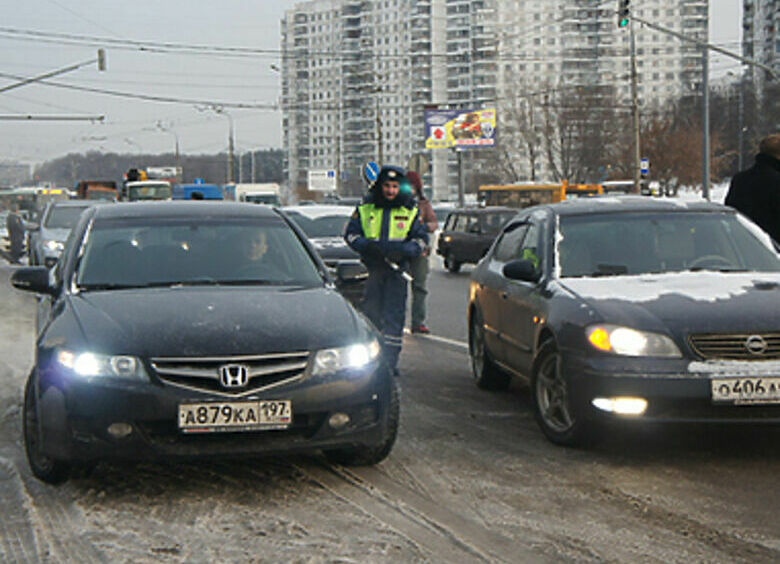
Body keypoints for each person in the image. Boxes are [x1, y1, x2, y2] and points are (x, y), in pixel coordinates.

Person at [345, 165, 429, 376]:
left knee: (394, 319)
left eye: (394, 187)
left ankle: (389, 364)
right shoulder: (366, 207)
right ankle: (370, 362)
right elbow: (351, 235)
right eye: (387, 186)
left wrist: (403, 251)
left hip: (396, 271)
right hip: (372, 270)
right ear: (380, 186)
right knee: (370, 316)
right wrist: (367, 246)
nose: (390, 191)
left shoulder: (410, 208)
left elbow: (421, 240)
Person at [725, 133, 780, 243]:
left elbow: (730, 214)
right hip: (774, 252)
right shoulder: (776, 181)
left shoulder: (739, 180)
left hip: (743, 248)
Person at [406, 171, 438, 334]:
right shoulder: (398, 203)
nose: (410, 190)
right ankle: (395, 319)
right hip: (401, 251)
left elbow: (433, 223)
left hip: (420, 252)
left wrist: (425, 227)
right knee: (398, 286)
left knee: (420, 287)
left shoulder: (423, 204)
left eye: (413, 186)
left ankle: (418, 321)